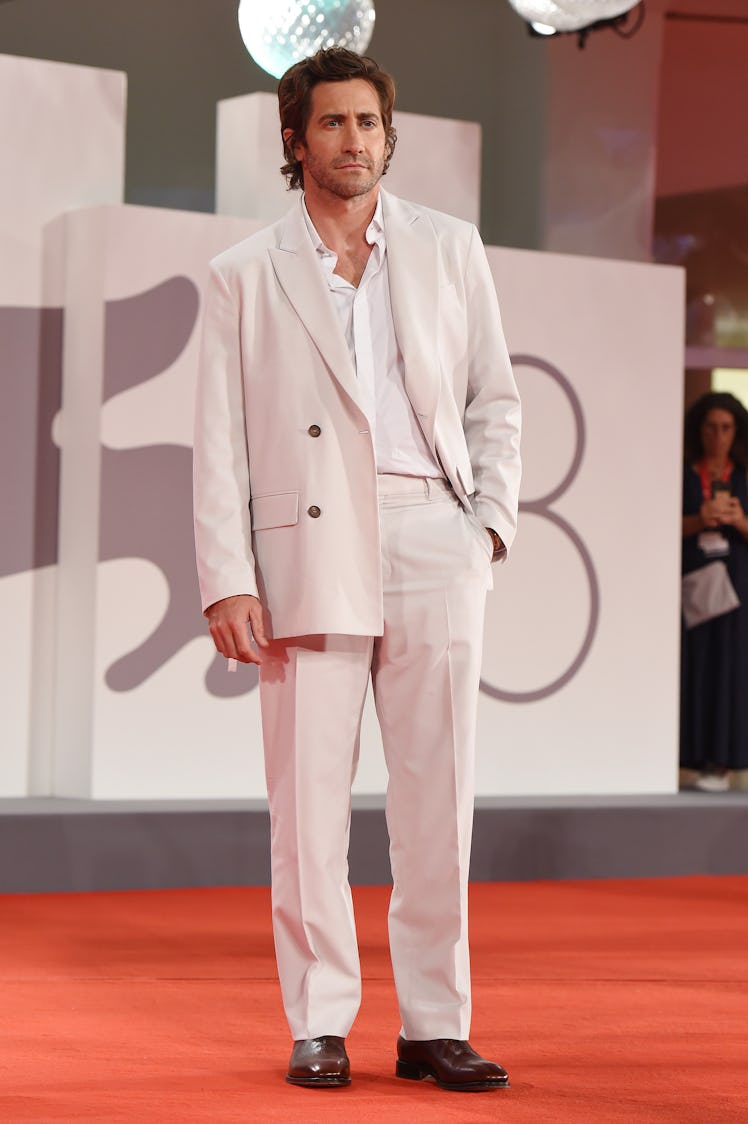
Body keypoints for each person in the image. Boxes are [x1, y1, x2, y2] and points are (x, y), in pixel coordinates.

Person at [193, 47, 521, 1091]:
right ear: (295, 142)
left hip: (433, 532)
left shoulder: (449, 247)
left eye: (367, 123)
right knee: (308, 803)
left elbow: (493, 399)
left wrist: (487, 526)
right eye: (330, 124)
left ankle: (434, 1020)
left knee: (440, 798)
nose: (353, 142)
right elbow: (220, 442)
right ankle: (320, 1017)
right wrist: (226, 576)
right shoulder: (245, 271)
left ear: (390, 132)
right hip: (306, 548)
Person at [681, 391, 748, 792]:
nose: (718, 436)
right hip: (696, 587)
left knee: (733, 672)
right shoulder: (685, 475)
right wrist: (699, 519)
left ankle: (727, 762)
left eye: (726, 428)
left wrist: (740, 521)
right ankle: (697, 759)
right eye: (710, 427)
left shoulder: (744, 477)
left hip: (737, 591)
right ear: (699, 430)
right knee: (698, 669)